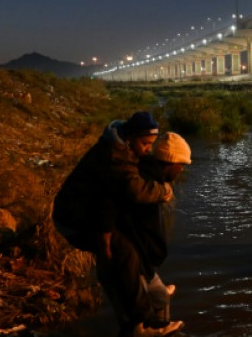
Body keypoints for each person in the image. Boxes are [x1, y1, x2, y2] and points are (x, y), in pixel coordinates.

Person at [52, 112, 182, 337]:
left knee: (125, 250)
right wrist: (164, 191)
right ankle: (141, 323)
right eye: (145, 143)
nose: (147, 149)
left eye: (151, 144)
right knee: (122, 252)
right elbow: (132, 192)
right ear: (130, 138)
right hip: (74, 219)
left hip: (87, 213)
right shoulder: (115, 158)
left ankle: (148, 291)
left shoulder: (123, 148)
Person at [118, 132, 192, 334]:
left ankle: (160, 326)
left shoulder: (150, 178)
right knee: (137, 318)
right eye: (182, 165)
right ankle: (152, 329)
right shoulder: (146, 186)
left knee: (160, 297)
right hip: (134, 262)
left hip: (145, 262)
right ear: (171, 162)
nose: (182, 170)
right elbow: (134, 230)